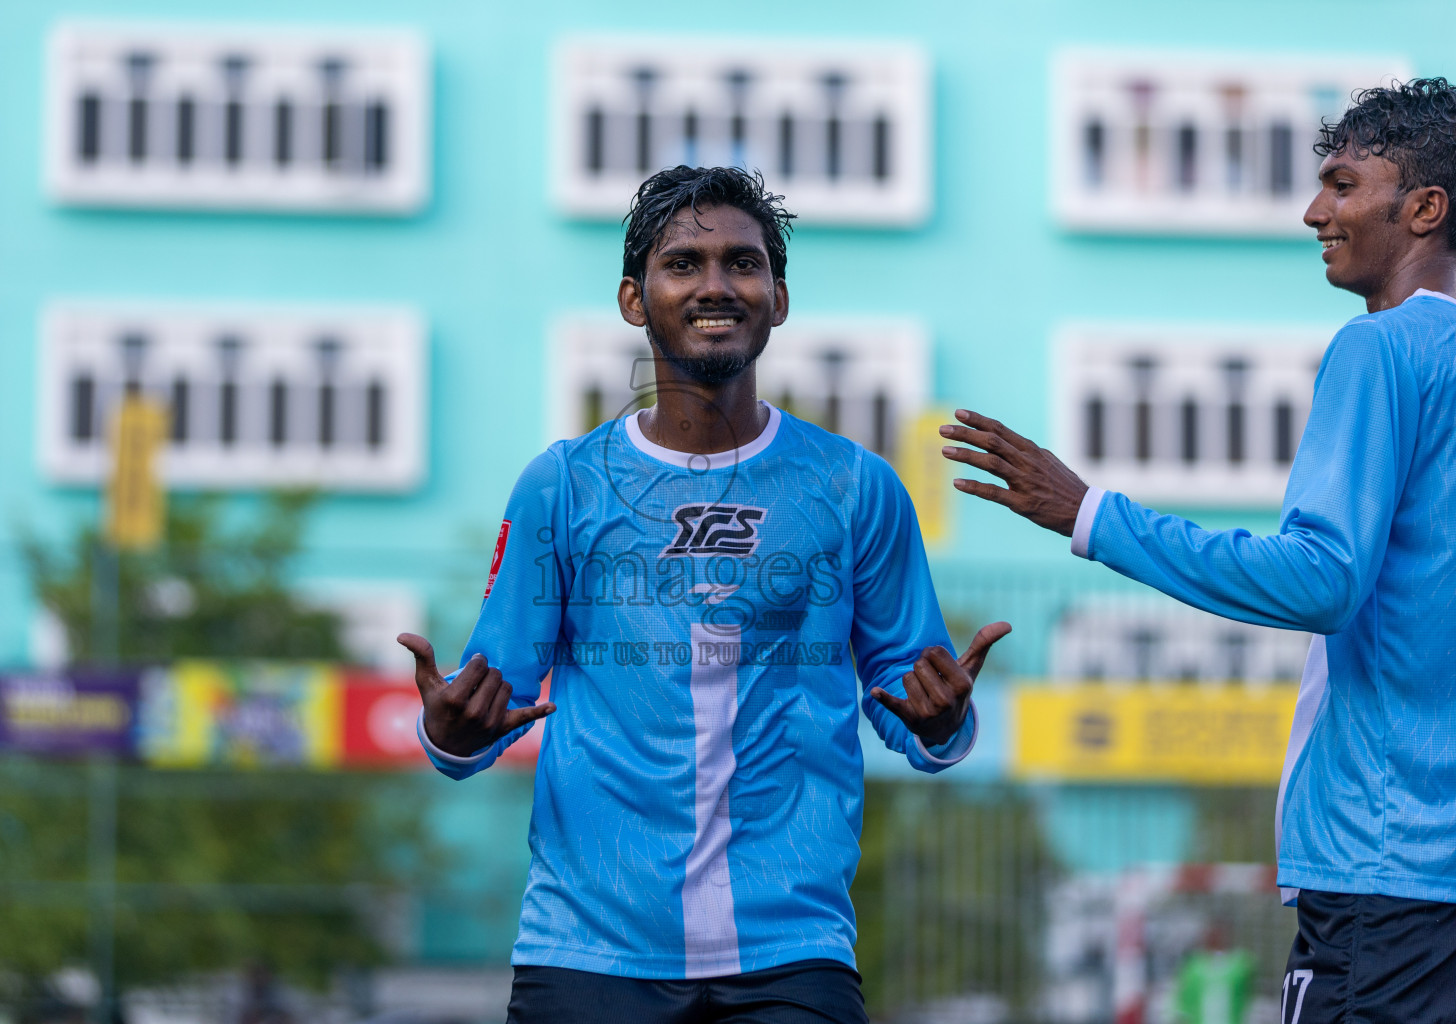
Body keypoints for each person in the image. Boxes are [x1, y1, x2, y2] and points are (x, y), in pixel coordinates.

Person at [397, 165, 1009, 1024]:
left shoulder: (855, 488)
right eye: (683, 263)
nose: (716, 285)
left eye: (743, 263)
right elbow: (489, 697)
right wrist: (450, 734)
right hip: (589, 951)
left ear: (780, 298)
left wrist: (942, 726)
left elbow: (916, 694)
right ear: (632, 298)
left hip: (793, 953)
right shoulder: (565, 486)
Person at [939, 79, 1456, 1021]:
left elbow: (1324, 578)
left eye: (1342, 185)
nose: (1314, 211)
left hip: (1390, 875)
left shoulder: (1383, 349)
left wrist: (1091, 515)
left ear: (1424, 208)